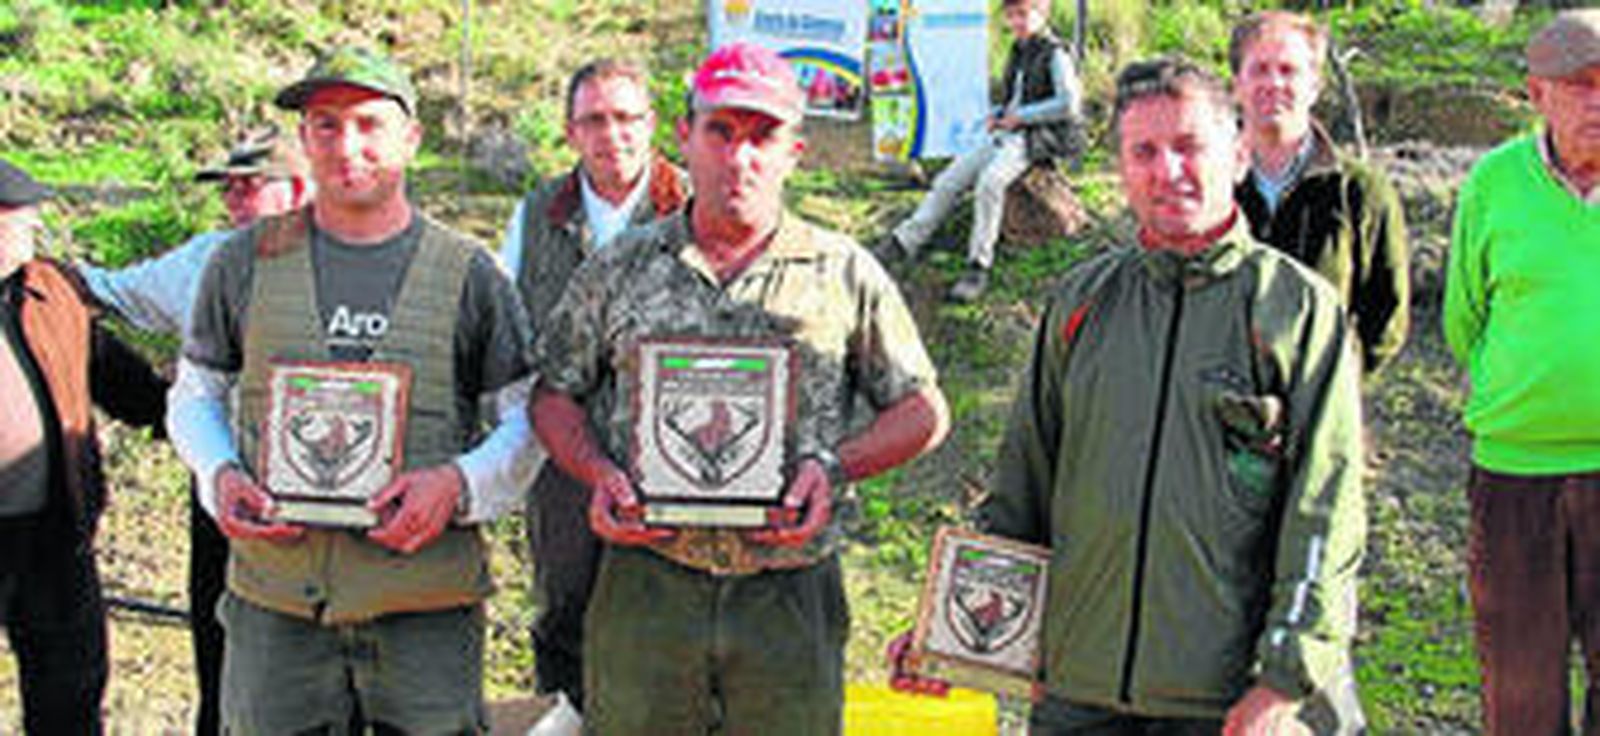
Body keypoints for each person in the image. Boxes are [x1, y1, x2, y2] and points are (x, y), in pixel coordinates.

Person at [530, 42, 950, 735]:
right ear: (684, 138)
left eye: (763, 136)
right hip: (648, 582)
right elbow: (554, 393)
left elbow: (923, 410)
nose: (739, 156)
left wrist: (832, 468)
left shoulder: (842, 271)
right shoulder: (621, 266)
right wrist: (597, 472)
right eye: (720, 131)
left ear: (795, 151)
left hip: (789, 592)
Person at [979, 58, 1365, 734]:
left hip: (1224, 703)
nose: (1168, 170)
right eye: (1145, 152)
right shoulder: (1081, 302)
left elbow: (1324, 514)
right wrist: (952, 628)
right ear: (1122, 169)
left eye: (1189, 146)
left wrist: (1282, 680)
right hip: (1077, 692)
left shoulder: (1297, 311)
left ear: (1238, 156)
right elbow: (1021, 488)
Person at [166, 46, 538, 734]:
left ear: (411, 138)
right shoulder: (242, 261)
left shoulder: (470, 274)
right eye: (326, 125)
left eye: (370, 124)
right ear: (304, 139)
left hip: (424, 608)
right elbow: (195, 394)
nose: (347, 146)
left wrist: (457, 485)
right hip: (277, 606)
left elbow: (526, 421)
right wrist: (219, 473)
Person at [75, 125, 312, 736]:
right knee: (219, 638)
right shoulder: (204, 259)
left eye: (248, 186)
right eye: (227, 188)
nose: (233, 200)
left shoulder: (354, 258)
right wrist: (37, 268)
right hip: (224, 483)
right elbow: (110, 291)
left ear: (297, 189)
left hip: (327, 495)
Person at [496, 57, 687, 736]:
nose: (613, 134)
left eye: (627, 117)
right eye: (595, 120)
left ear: (653, 124)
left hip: (675, 454)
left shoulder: (697, 207)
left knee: (672, 614)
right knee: (565, 608)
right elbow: (510, 330)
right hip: (563, 453)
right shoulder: (535, 214)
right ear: (570, 130)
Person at [1443, 10, 1600, 734]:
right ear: (1537, 94)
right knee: (1521, 698)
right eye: (1580, 85)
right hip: (1514, 479)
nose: (1597, 102)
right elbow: (1463, 318)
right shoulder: (1494, 183)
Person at [0, 159, 167, 734]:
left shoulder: (52, 292)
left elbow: (111, 371)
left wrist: (183, 421)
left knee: (69, 689)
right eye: (11, 218)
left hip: (54, 525)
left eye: (26, 218)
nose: (27, 229)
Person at [1230, 11, 1410, 373]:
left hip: (1320, 400)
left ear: (1315, 85)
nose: (1274, 83)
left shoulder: (1361, 192)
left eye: (1288, 70)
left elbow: (1387, 316)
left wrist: (1331, 387)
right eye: (1260, 69)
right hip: (1211, 402)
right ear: (1236, 83)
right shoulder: (1205, 186)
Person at [876, 0, 1082, 302]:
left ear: (1043, 12)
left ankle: (978, 265)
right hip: (1007, 131)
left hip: (1035, 137)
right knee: (948, 181)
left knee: (990, 182)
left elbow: (1069, 104)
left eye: (1023, 14)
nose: (1016, 22)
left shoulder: (1056, 53)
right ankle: (904, 242)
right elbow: (1015, 98)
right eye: (1011, 16)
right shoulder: (1019, 50)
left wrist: (1020, 117)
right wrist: (998, 113)